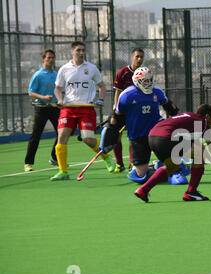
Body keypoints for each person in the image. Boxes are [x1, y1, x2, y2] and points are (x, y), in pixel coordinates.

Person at [51, 41, 114, 181]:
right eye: (78, 50)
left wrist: (101, 99)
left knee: (88, 139)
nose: (81, 52)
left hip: (86, 109)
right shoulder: (64, 69)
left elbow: (102, 86)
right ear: (72, 51)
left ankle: (107, 158)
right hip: (68, 109)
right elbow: (57, 88)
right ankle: (63, 172)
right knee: (61, 137)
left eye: (83, 50)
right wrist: (60, 99)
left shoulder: (91, 68)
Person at [105, 66, 178, 184]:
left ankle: (171, 168)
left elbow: (170, 107)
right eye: (144, 80)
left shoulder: (157, 91)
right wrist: (111, 130)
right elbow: (117, 115)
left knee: (170, 159)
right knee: (140, 175)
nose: (147, 83)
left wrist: (173, 113)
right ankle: (157, 167)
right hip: (137, 135)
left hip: (156, 133)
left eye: (149, 80)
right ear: (137, 81)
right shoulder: (127, 95)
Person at [134, 104, 211, 202]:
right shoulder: (203, 123)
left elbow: (198, 144)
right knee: (199, 155)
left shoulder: (189, 116)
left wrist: (209, 158)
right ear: (207, 116)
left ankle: (143, 190)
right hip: (167, 137)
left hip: (152, 137)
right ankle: (191, 192)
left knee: (173, 166)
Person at [24, 49, 59, 172]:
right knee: (36, 136)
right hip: (41, 109)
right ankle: (28, 163)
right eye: (48, 57)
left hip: (55, 108)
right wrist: (43, 97)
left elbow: (58, 90)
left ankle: (54, 158)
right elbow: (31, 93)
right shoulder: (38, 75)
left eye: (52, 58)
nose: (50, 60)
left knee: (63, 133)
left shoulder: (56, 75)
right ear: (43, 59)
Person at [111, 47, 145, 173]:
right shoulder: (123, 72)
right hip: (122, 110)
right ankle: (120, 164)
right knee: (116, 137)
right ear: (132, 57)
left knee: (133, 137)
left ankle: (132, 163)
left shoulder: (145, 73)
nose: (139, 59)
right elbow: (117, 92)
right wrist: (116, 108)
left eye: (141, 57)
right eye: (137, 56)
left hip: (137, 112)